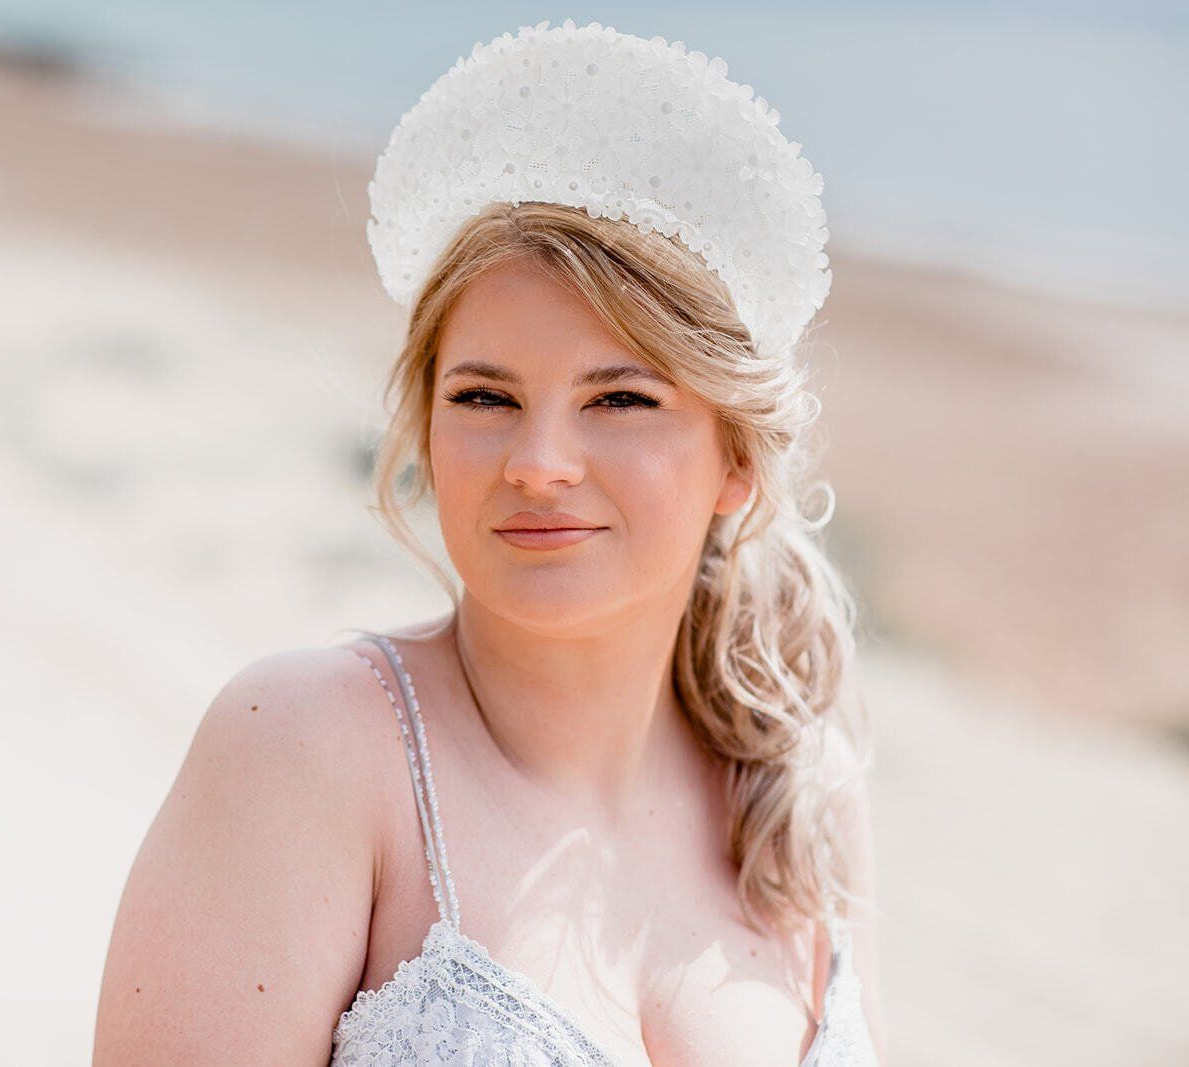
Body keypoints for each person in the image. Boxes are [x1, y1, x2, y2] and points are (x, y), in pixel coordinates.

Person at [95, 19, 885, 1066]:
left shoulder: (800, 799)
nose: (539, 459)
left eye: (619, 398)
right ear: (426, 427)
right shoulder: (304, 746)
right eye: (484, 395)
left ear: (734, 458)